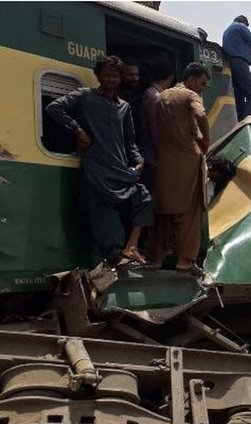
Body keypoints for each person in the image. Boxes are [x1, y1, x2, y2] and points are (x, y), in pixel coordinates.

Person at [46, 55, 152, 265]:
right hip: (96, 167)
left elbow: (129, 141)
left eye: (115, 75)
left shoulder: (124, 107)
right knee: (103, 212)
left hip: (120, 168)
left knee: (145, 199)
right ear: (98, 76)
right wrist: (78, 130)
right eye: (106, 75)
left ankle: (131, 247)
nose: (111, 79)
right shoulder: (85, 96)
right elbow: (54, 108)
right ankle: (116, 255)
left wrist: (138, 161)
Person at [150, 63, 211, 273]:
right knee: (192, 212)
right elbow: (201, 115)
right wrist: (205, 142)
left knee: (164, 212)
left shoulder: (161, 97)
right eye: (202, 83)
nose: (202, 88)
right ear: (191, 79)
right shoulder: (190, 96)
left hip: (165, 162)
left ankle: (156, 258)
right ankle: (185, 261)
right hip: (188, 161)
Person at [136, 60, 174, 192]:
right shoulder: (156, 97)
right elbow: (156, 129)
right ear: (170, 77)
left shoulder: (149, 93)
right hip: (153, 159)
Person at [223, 15, 251, 120]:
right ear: (245, 23)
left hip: (229, 64)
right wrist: (249, 47)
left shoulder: (227, 31)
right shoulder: (240, 27)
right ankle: (247, 121)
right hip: (240, 62)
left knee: (239, 96)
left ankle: (239, 119)